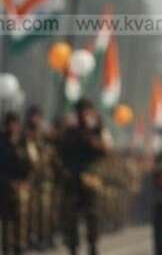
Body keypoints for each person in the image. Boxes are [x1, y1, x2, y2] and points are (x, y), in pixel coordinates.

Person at [57, 99, 108, 255]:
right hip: (72, 179)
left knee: (93, 215)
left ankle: (93, 246)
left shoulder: (97, 130)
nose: (85, 114)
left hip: (91, 178)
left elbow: (104, 151)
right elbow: (61, 150)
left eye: (88, 111)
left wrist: (91, 136)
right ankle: (73, 247)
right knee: (70, 216)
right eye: (83, 111)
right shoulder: (70, 131)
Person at [24, 105, 56, 251]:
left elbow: (54, 151)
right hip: (30, 178)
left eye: (37, 116)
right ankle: (31, 237)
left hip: (45, 178)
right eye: (32, 116)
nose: (34, 119)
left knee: (45, 210)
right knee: (31, 211)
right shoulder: (25, 135)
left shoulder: (46, 134)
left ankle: (45, 237)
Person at [0, 112, 32, 255]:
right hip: (5, 187)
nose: (13, 127)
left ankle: (19, 248)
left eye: (15, 124)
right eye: (10, 124)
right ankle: (6, 249)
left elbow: (30, 164)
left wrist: (24, 181)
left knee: (21, 220)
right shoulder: (2, 142)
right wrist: (8, 182)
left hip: (21, 187)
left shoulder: (23, 142)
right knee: (6, 222)